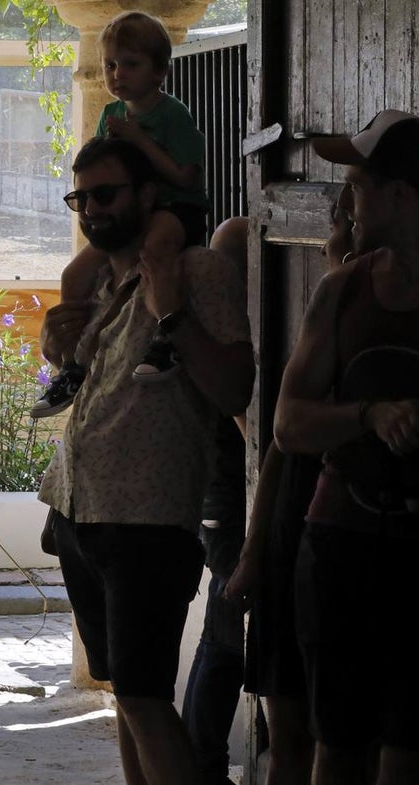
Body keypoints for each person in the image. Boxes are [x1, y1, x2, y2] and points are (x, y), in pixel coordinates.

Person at [37, 135, 253, 785]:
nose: (92, 210)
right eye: (81, 199)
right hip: (80, 510)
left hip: (149, 519)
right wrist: (56, 346)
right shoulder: (100, 283)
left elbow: (235, 388)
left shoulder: (197, 272)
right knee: (127, 697)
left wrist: (173, 317)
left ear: (149, 195)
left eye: (106, 194)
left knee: (145, 698)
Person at [274, 109, 419, 785]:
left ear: (401, 196)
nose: (341, 205)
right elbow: (288, 424)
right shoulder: (341, 290)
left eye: (356, 187)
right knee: (337, 748)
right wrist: (369, 415)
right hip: (342, 545)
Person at [224, 204, 353, 785]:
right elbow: (279, 443)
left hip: (350, 541)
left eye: (343, 224)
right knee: (288, 735)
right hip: (289, 533)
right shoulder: (324, 317)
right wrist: (254, 552)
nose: (332, 241)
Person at [32, 10, 208, 418]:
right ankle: (74, 361)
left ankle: (166, 337)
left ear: (159, 71)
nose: (117, 74)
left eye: (130, 64)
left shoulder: (172, 114)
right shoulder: (110, 114)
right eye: (110, 65)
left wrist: (138, 141)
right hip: (133, 212)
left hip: (173, 205)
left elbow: (186, 175)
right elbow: (100, 160)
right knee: (74, 274)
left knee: (156, 249)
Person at [180, 216, 249, 785]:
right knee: (226, 630)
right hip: (223, 491)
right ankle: (202, 764)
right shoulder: (218, 326)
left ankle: (200, 761)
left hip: (219, 492)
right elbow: (237, 412)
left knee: (222, 628)